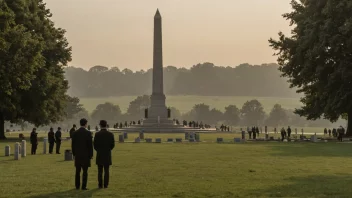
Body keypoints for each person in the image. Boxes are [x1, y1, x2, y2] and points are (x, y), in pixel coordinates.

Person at [72, 118, 93, 190]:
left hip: (78, 155)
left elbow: (73, 145)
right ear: (86, 124)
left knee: (77, 171)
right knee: (85, 171)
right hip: (86, 155)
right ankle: (84, 186)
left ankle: (77, 186)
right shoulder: (88, 133)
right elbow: (90, 145)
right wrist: (91, 155)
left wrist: (74, 153)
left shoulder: (75, 133)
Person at [94, 120, 115, 189]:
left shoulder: (97, 134)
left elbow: (95, 145)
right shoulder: (110, 134)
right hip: (107, 154)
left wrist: (99, 150)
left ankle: (100, 185)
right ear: (106, 125)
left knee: (100, 171)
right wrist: (108, 149)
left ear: (100, 125)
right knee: (106, 171)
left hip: (100, 154)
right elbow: (112, 145)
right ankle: (106, 185)